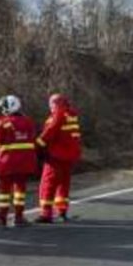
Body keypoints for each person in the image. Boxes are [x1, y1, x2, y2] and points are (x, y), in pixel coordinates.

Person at [0, 95, 38, 227]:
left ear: (9, 107)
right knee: (20, 191)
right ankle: (19, 217)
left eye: (3, 107)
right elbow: (33, 139)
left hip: (6, 163)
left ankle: (2, 218)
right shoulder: (28, 122)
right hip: (24, 163)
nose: (2, 110)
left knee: (4, 192)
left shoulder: (3, 122)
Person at [36, 93, 82, 223]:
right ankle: (62, 211)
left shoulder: (58, 115)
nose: (50, 107)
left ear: (55, 104)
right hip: (69, 156)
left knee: (48, 184)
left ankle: (46, 213)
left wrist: (37, 145)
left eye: (51, 104)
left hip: (56, 156)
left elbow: (49, 132)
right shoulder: (71, 115)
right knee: (63, 184)